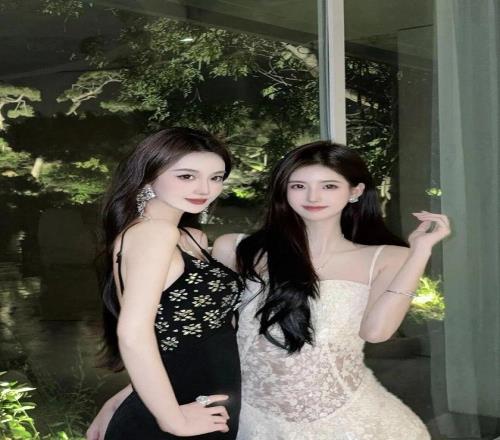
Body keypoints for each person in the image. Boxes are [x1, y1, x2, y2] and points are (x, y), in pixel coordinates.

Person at [88, 141, 450, 440]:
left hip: (336, 415)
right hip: (241, 415)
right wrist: (152, 406)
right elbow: (162, 333)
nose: (313, 196)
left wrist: (419, 252)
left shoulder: (386, 257)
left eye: (329, 185)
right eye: (298, 185)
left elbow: (377, 332)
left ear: (355, 191)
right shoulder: (236, 248)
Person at [94, 127, 243, 440]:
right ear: (148, 176)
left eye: (216, 177)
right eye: (186, 176)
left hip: (195, 402)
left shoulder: (186, 237)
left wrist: (124, 396)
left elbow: (170, 337)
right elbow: (133, 333)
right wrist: (173, 421)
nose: (205, 188)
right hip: (180, 414)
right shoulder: (154, 234)